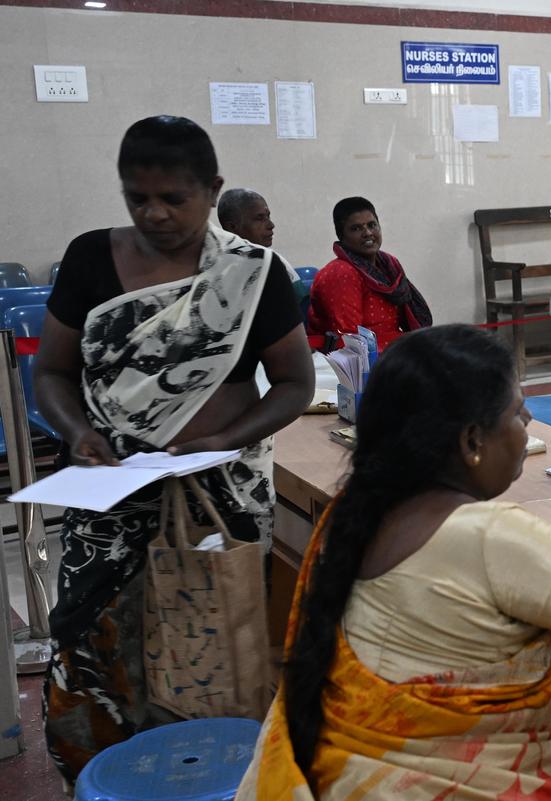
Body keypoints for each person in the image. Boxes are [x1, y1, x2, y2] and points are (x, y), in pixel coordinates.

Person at [235, 324, 551, 800]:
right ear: (472, 442)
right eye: (518, 414)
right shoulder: (489, 536)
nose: (527, 427)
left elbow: (494, 568)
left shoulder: (362, 511)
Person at [36, 115, 315, 781]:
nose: (154, 213)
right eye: (137, 198)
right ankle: (106, 779)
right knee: (93, 648)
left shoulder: (252, 274)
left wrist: (224, 439)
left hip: (218, 495)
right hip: (109, 494)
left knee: (214, 649)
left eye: (174, 198)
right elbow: (50, 372)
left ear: (212, 190)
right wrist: (78, 431)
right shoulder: (89, 258)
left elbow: (295, 383)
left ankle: (209, 780)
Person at [306, 197, 432, 351]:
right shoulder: (341, 272)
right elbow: (350, 340)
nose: (368, 233)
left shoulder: (389, 265)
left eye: (372, 225)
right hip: (359, 357)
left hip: (394, 348)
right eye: (356, 229)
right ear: (341, 235)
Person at [218, 187, 308, 304]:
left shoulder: (274, 262)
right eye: (259, 218)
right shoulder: (210, 269)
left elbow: (302, 306)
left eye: (268, 216)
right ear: (232, 227)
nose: (271, 225)